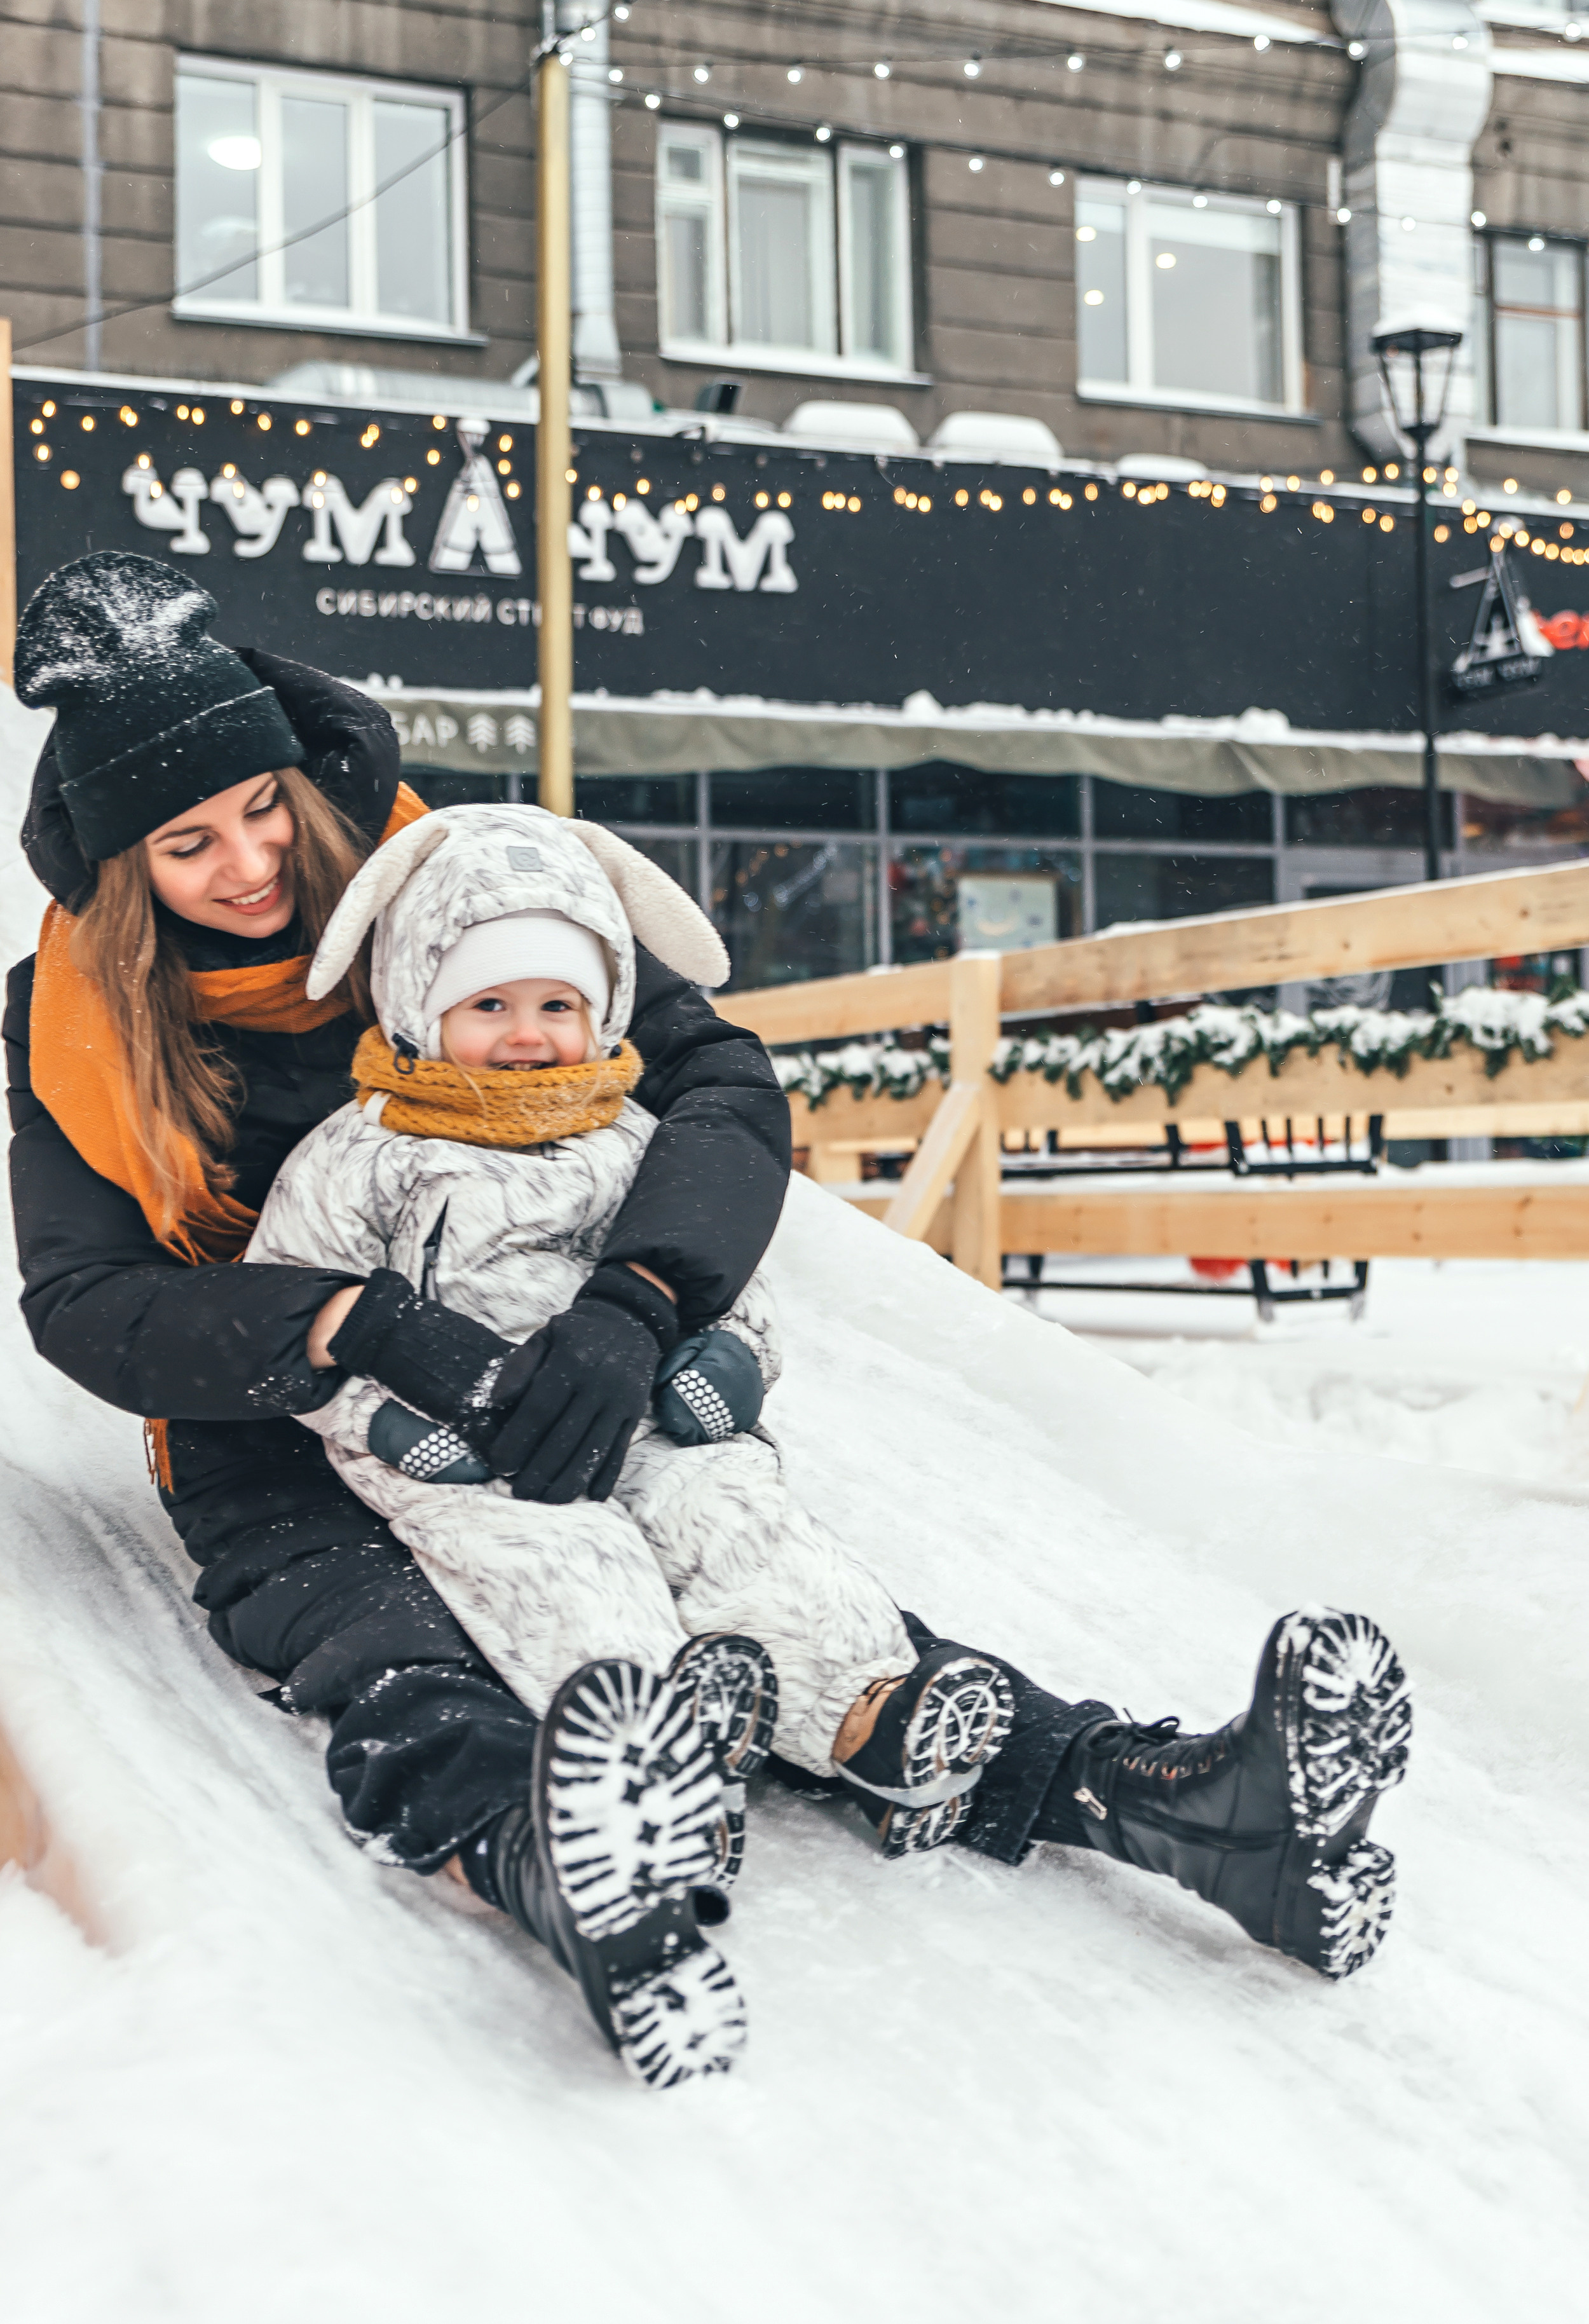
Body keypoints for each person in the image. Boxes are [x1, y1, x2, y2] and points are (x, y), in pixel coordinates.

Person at [6, 551, 1414, 2095]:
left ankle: (1182, 1804)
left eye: (262, 808)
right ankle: (559, 1857)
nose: (250, 862)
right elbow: (84, 1299)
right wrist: (358, 1321)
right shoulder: (73, 1021)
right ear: (124, 865)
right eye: (190, 843)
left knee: (778, 1589)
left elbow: (716, 1082)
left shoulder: (462, 891)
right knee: (390, 1642)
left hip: (566, 1339)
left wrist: (644, 1298)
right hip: (282, 1408)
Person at [243, 801, 1018, 2075]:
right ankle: (653, 1776)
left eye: (557, 1003)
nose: (526, 1033)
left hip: (641, 1416)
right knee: (567, 1567)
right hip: (474, 1448)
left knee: (739, 1525)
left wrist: (726, 1365)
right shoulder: (365, 1156)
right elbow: (299, 1316)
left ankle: (872, 1717)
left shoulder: (631, 1139)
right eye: (488, 1005)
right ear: (418, 1005)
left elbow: (726, 1288)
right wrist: (385, 1420)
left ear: (603, 1010)